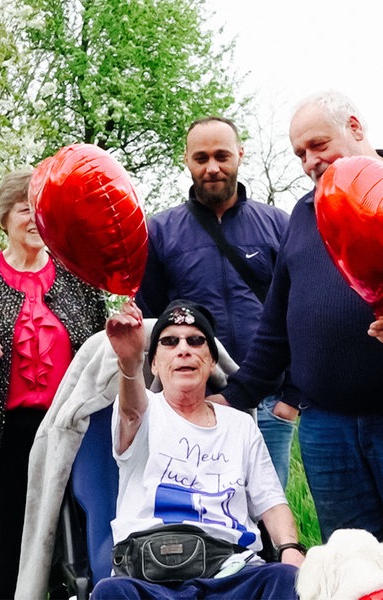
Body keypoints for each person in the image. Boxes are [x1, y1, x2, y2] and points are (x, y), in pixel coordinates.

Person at [215, 90, 383, 543]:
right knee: (352, 565)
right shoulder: (305, 214)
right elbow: (276, 324)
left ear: (355, 127)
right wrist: (234, 396)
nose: (310, 161)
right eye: (300, 154)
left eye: (318, 145)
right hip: (325, 427)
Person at [0, 169, 107, 599]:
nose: (36, 219)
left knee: (82, 545)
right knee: (11, 546)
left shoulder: (78, 278)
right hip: (4, 439)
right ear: (4, 216)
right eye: (27, 208)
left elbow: (103, 350)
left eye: (45, 211)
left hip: (74, 431)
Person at [89, 299, 305, 600]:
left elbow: (270, 500)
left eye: (196, 341)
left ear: (212, 360)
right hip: (151, 578)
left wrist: (290, 549)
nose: (183, 350)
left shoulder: (240, 425)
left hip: (233, 573)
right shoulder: (143, 412)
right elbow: (131, 413)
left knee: (284, 577)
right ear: (153, 363)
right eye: (169, 342)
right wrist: (129, 364)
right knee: (112, 592)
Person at [135, 116, 295, 488]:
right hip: (195, 401)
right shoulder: (159, 232)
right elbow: (151, 321)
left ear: (240, 154)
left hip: (271, 400)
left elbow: (299, 315)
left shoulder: (278, 225)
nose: (212, 168)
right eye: (201, 158)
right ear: (186, 161)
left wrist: (293, 398)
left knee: (270, 512)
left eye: (222, 156)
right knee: (205, 516)